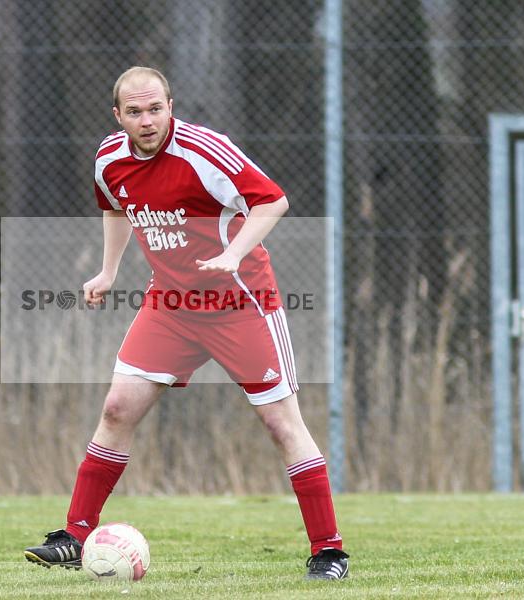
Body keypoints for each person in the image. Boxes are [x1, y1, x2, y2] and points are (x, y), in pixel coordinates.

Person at [24, 66, 348, 580]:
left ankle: (329, 551)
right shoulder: (110, 158)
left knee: (281, 423)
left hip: (241, 301)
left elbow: (273, 200)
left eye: (155, 108)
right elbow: (115, 208)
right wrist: (108, 271)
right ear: (118, 116)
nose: (147, 120)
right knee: (116, 408)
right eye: (135, 112)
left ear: (171, 106)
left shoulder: (204, 150)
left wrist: (234, 254)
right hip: (171, 305)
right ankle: (75, 534)